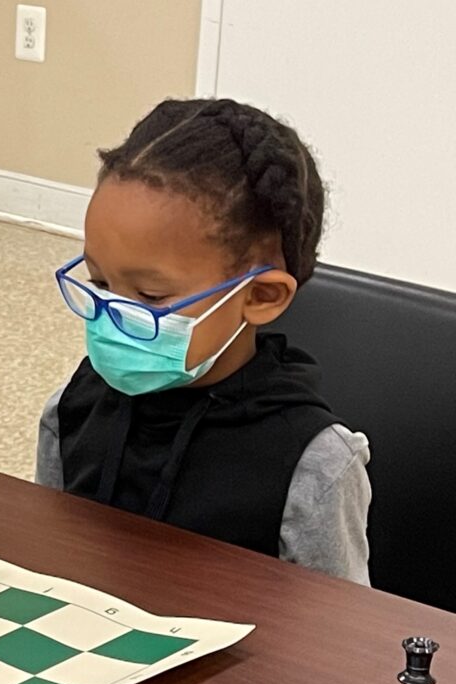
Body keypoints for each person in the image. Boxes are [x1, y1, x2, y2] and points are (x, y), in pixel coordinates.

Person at [37, 98, 370, 583]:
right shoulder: (71, 410)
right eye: (100, 283)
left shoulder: (313, 466)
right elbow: (47, 567)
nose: (113, 318)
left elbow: (338, 625)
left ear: (260, 296)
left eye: (150, 296)